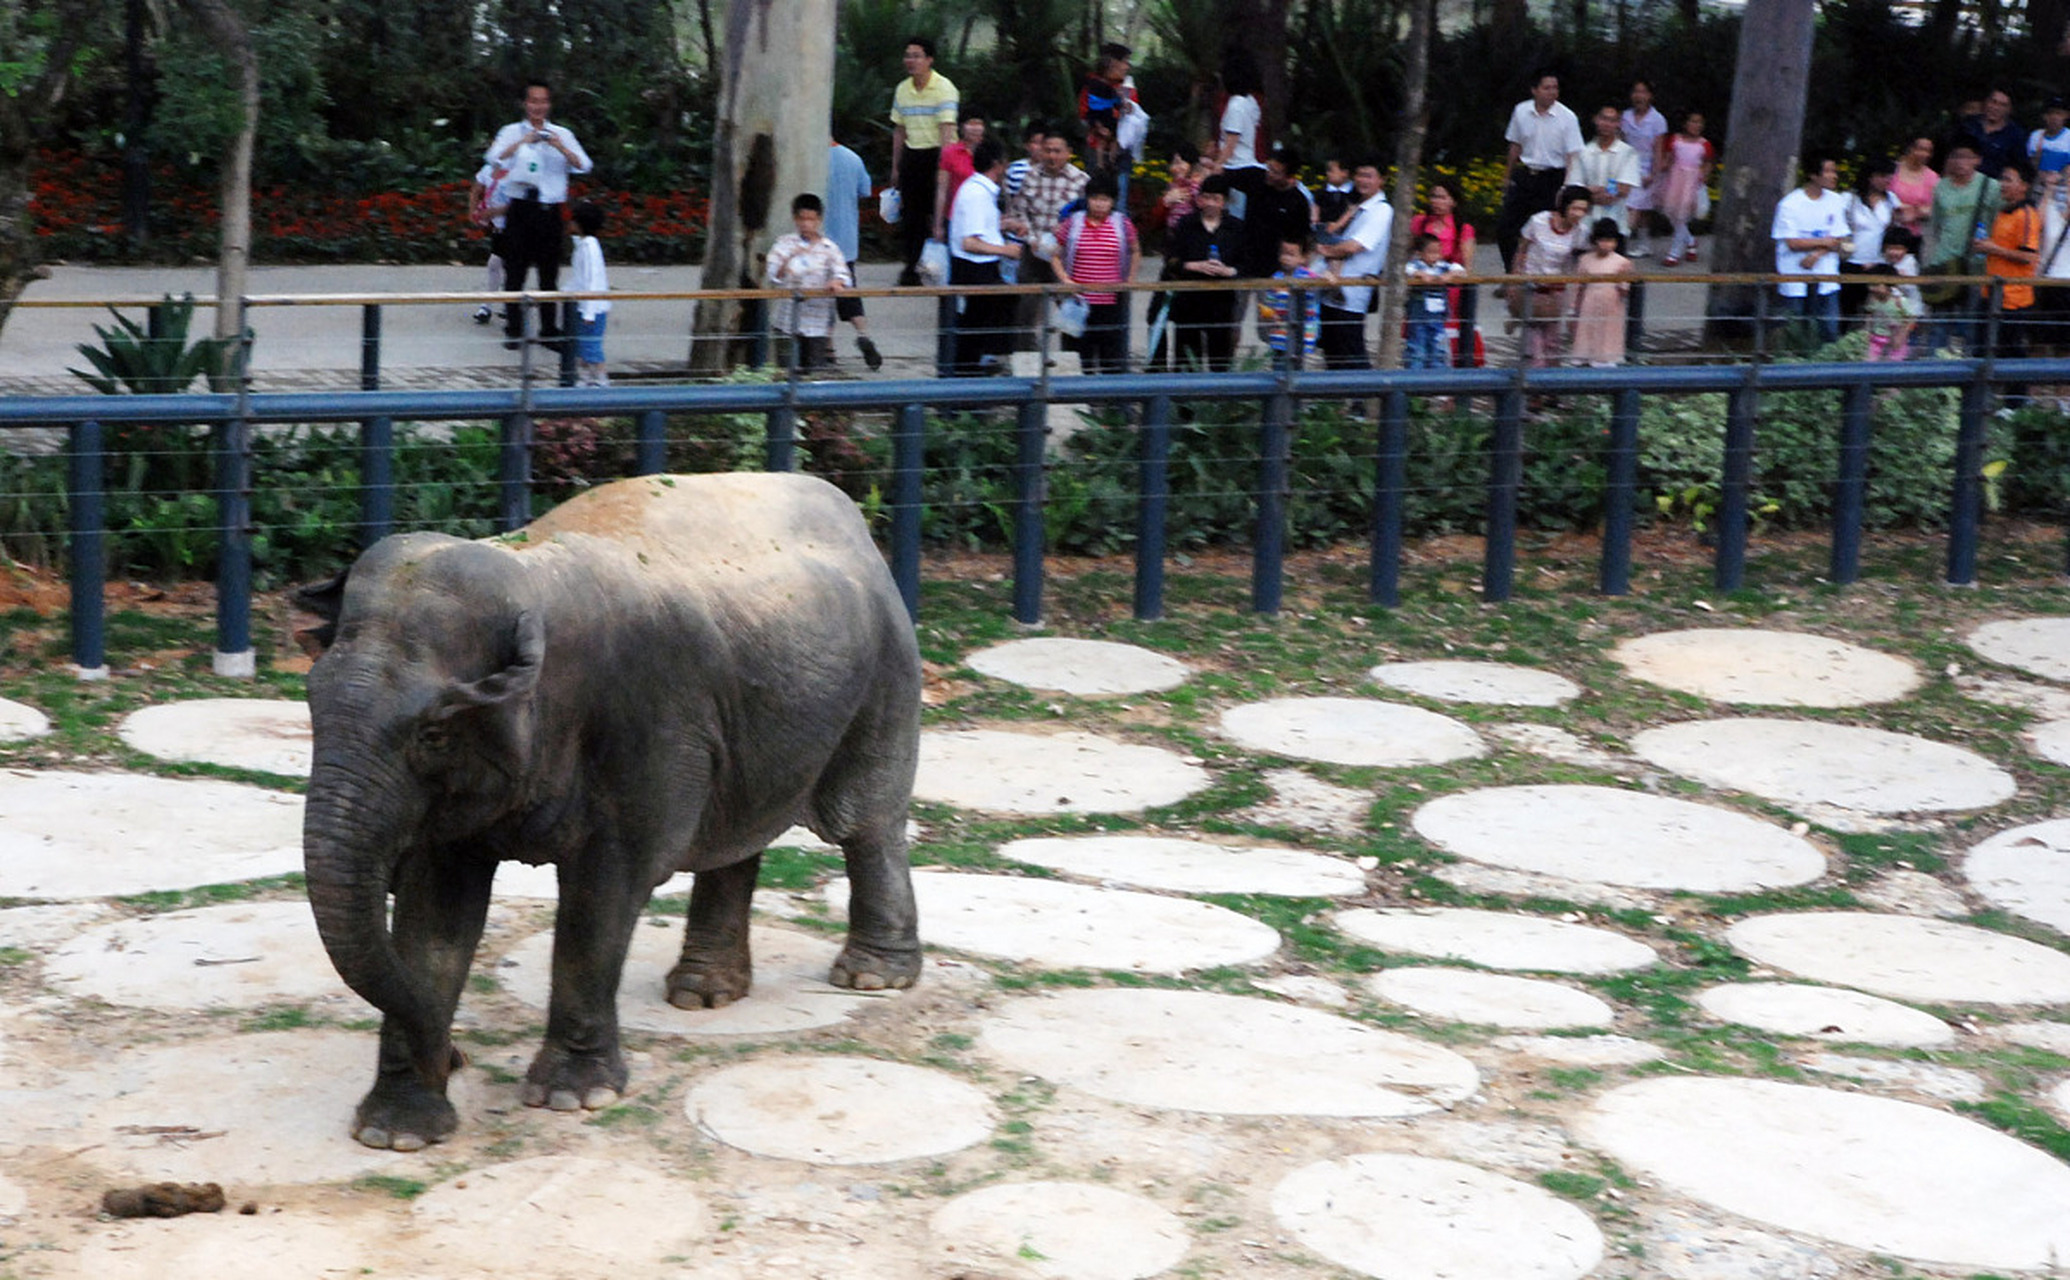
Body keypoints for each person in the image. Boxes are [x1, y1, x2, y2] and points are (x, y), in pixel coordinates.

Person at [485, 80, 593, 348]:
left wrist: (560, 147)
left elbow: (584, 165)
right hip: (520, 209)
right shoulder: (510, 132)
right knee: (515, 272)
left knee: (549, 272)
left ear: (549, 104)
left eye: (543, 101)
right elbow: (493, 159)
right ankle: (514, 329)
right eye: (533, 101)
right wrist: (522, 142)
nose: (538, 106)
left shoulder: (562, 133)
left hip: (549, 211)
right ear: (525, 104)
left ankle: (548, 330)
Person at [1004, 128, 1088, 348]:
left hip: (1065, 254)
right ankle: (1025, 355)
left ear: (1068, 152)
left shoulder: (1080, 180)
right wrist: (1031, 237)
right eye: (1048, 150)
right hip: (1034, 251)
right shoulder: (1030, 177)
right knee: (1026, 307)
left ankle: (1073, 354)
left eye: (1057, 151)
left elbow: (1086, 218)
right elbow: (1019, 211)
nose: (1052, 156)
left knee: (1070, 305)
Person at [1497, 70, 1584, 270]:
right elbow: (1515, 145)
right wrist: (1507, 177)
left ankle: (1538, 276)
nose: (1552, 92)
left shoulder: (1567, 117)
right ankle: (1511, 274)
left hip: (1552, 178)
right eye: (1546, 88)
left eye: (1555, 88)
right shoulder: (1521, 111)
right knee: (1506, 228)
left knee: (1543, 230)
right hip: (1526, 174)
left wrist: (1566, 187)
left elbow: (1572, 155)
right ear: (1534, 90)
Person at [946, 139, 1021, 375]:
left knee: (977, 326)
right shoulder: (978, 194)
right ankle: (978, 372)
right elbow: (970, 242)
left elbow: (979, 228)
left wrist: (1003, 226)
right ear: (998, 165)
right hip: (975, 269)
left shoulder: (978, 191)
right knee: (978, 328)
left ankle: (978, 369)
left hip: (981, 267)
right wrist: (1005, 250)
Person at [889, 36, 959, 286]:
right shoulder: (902, 89)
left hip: (937, 154)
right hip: (913, 155)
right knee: (911, 217)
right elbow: (899, 130)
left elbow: (947, 131)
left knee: (940, 212)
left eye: (917, 56)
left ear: (930, 59)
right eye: (908, 55)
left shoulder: (944, 87)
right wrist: (896, 166)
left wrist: (943, 167)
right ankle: (911, 267)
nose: (911, 61)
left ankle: (944, 266)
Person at [1054, 172, 1138, 375]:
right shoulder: (1073, 222)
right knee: (1078, 356)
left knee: (1112, 355)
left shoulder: (1122, 223)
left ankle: (1113, 402)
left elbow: (1135, 250)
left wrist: (1129, 280)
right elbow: (1055, 254)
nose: (1100, 204)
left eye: (1105, 199)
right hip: (1079, 301)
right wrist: (1065, 279)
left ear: (1112, 201)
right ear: (1087, 199)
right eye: (1095, 199)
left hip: (1111, 301)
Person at [1314, 158, 1393, 370]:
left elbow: (1355, 246)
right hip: (1331, 290)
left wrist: (1327, 250)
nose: (1362, 181)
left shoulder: (1381, 210)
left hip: (1352, 294)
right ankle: (1337, 400)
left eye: (1369, 176)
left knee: (1352, 350)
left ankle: (1363, 400)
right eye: (1359, 175)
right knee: (1332, 352)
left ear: (1381, 180)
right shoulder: (1358, 207)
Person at [1976, 160, 2042, 404]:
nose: (2002, 184)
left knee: (2013, 351)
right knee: (1987, 348)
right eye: (2002, 179)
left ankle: (2016, 402)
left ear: (2023, 186)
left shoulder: (2026, 215)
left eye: (2008, 179)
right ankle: (1988, 399)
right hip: (1992, 293)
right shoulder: (2003, 212)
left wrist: (1993, 248)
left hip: (2014, 297)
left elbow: (2028, 256)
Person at [1165, 172, 1246, 370]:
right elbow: (1171, 260)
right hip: (1189, 300)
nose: (1210, 203)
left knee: (1220, 358)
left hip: (1221, 301)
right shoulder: (1185, 224)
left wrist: (1229, 271)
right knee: (1186, 358)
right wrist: (1193, 265)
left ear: (1224, 202)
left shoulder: (1236, 228)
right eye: (1206, 197)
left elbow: (1248, 263)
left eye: (1216, 199)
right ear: (1199, 199)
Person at [1925, 142, 2002, 351]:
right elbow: (1935, 226)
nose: (1961, 162)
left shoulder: (1991, 186)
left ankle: (1970, 375)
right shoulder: (1941, 187)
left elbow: (1999, 221)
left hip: (1978, 264)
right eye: (1956, 156)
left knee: (1972, 323)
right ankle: (1933, 373)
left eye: (1967, 157)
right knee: (1940, 323)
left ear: (1977, 160)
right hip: (1945, 262)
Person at [766, 193, 853, 373]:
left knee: (815, 370)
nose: (806, 224)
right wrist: (789, 259)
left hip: (817, 321)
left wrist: (836, 281)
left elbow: (843, 274)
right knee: (785, 370)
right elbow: (773, 275)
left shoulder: (829, 248)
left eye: (811, 219)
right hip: (787, 319)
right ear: (795, 219)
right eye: (802, 219)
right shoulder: (783, 244)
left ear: (819, 220)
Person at [1772, 153, 1850, 346]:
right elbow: (1792, 242)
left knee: (1829, 329)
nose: (1834, 176)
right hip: (1795, 274)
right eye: (1828, 171)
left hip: (1826, 274)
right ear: (1814, 175)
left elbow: (1838, 237)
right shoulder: (1790, 204)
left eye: (1835, 171)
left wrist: (1817, 254)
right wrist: (1825, 242)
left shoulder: (1835, 200)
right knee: (1795, 328)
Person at [1514, 185, 1592, 370]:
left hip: (1556, 289)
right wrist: (1515, 278)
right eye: (1575, 208)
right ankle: (1533, 386)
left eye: (1583, 209)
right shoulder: (1538, 221)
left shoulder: (1581, 231)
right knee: (1534, 344)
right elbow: (1522, 249)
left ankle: (1550, 388)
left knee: (1553, 342)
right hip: (1531, 286)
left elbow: (1580, 257)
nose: (1578, 214)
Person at [826, 136, 883, 370]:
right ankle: (864, 334)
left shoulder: (811, 158)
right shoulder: (853, 158)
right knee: (848, 292)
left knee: (822, 298)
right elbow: (864, 191)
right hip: (846, 241)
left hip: (818, 242)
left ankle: (827, 349)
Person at [1408, 178, 1479, 364]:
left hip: (1448, 289)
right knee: (1418, 336)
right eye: (1433, 197)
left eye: (1442, 197)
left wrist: (1449, 275)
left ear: (1453, 201)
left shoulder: (1463, 228)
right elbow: (1408, 255)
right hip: (1421, 287)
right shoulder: (1420, 222)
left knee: (1443, 338)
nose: (1436, 202)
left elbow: (1466, 266)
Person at [1242, 144, 1319, 278]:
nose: (1269, 174)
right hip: (1247, 260)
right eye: (1269, 168)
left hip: (1276, 268)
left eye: (1276, 172)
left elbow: (1301, 238)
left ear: (1289, 177)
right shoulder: (1256, 181)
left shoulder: (1298, 201)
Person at [1566, 105, 1642, 237]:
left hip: (1616, 220)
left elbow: (1624, 188)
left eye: (1612, 121)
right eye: (1604, 119)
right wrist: (1595, 193)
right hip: (1585, 221)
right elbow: (1575, 188)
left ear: (1618, 124)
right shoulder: (1583, 152)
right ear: (1596, 120)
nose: (1607, 124)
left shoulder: (1628, 152)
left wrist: (1594, 190)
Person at [1571, 217, 1633, 367]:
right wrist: (1573, 308)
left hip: (1611, 301)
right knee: (1587, 327)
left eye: (1611, 241)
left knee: (1609, 329)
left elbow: (1624, 289)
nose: (1606, 244)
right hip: (1590, 299)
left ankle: (1607, 357)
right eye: (1603, 240)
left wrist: (1623, 278)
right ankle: (1585, 356)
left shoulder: (1622, 262)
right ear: (1595, 240)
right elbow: (1577, 285)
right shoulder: (1585, 259)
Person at [1841, 157, 1899, 316]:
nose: (1887, 180)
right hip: (1851, 261)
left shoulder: (1892, 200)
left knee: (1875, 312)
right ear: (1870, 176)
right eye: (1882, 175)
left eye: (1889, 175)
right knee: (1847, 310)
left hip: (1879, 263)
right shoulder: (1849, 199)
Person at [1656, 110, 1714, 266]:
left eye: (1699, 122)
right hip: (1675, 179)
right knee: (1671, 212)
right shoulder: (1675, 140)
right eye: (1692, 121)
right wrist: (1663, 167)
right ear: (1685, 123)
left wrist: (1704, 176)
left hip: (1692, 182)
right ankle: (1690, 240)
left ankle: (1674, 253)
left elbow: (1708, 162)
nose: (1695, 125)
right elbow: (1668, 158)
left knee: (1682, 215)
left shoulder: (1704, 144)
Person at [1621, 79, 1671, 258]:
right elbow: (1621, 143)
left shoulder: (1657, 120)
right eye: (1636, 91)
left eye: (1643, 92)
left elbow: (1658, 150)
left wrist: (1653, 173)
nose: (1639, 96)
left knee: (1633, 206)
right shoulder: (1625, 116)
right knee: (1637, 209)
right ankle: (1643, 245)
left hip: (1647, 169)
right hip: (1626, 166)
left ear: (1650, 96)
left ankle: (1621, 242)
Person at [1257, 233, 1322, 367]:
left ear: (1303, 258)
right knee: (1278, 366)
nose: (1286, 258)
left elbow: (1317, 291)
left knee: (1297, 369)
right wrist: (1268, 315)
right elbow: (1269, 303)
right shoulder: (1275, 278)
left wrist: (1327, 279)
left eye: (1291, 255)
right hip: (1279, 335)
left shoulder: (1309, 277)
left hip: (1301, 336)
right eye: (1283, 253)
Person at [1403, 232, 1464, 370]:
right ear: (1419, 253)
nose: (1435, 256)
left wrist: (1449, 275)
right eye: (1431, 252)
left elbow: (1460, 269)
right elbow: (1407, 269)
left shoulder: (1443, 267)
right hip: (1419, 314)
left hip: (1437, 314)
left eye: (1438, 252)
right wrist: (1421, 274)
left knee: (1438, 345)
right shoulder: (1415, 265)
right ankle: (1414, 375)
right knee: (1417, 345)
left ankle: (1438, 375)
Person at [1218, 54, 1269, 219]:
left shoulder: (1235, 106)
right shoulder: (1251, 101)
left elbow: (1231, 143)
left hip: (1237, 169)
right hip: (1251, 166)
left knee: (1236, 217)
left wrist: (1217, 165)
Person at [567, 201, 611, 386]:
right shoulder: (582, 245)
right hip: (582, 304)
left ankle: (601, 380)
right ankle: (585, 378)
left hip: (593, 307)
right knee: (582, 345)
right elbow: (579, 278)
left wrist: (590, 312)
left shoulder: (590, 247)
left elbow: (593, 279)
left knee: (592, 346)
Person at [465, 159, 512, 324]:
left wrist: (493, 212)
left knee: (501, 264)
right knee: (498, 264)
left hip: (515, 226)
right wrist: (473, 211)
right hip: (499, 227)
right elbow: (476, 190)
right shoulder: (488, 169)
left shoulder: (517, 168)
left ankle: (492, 305)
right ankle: (495, 304)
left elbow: (520, 203)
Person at [932, 112, 986, 242]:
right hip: (956, 216)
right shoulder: (950, 153)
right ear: (961, 127)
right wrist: (938, 225)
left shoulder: (990, 151)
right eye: (971, 123)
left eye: (979, 124)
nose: (976, 128)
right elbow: (942, 190)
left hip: (983, 216)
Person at [1861, 263, 1920, 362]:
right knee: (1869, 361)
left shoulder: (1900, 301)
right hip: (1876, 338)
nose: (1871, 288)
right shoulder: (1872, 300)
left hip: (1896, 339)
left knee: (1894, 364)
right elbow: (1869, 315)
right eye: (1869, 284)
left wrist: (1902, 335)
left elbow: (1911, 319)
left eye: (1876, 285)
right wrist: (1867, 331)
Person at [1961, 89, 2024, 181]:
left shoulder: (2015, 135)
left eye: (2002, 105)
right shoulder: (1968, 124)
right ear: (1985, 102)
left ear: (2009, 109)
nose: (1995, 107)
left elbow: (2017, 167)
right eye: (1993, 102)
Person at [1891, 135, 1940, 235]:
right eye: (1921, 149)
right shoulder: (1893, 170)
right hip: (1887, 228)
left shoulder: (1933, 178)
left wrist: (1917, 212)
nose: (1924, 154)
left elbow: (1937, 208)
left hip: (1914, 234)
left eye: (1928, 151)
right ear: (1910, 149)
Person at [2030, 97, 2070, 213]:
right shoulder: (2036, 137)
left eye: (2059, 113)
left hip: (2061, 196)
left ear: (2066, 115)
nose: (2054, 117)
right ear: (2045, 116)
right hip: (2037, 191)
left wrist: (2057, 177)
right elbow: (2030, 166)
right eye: (2051, 113)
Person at [1314, 157, 1356, 244]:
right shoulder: (1323, 191)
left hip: (1344, 230)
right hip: (1324, 227)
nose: (1328, 174)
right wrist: (1315, 219)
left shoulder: (1352, 192)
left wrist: (1338, 224)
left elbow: (1351, 210)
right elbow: (1316, 205)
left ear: (1344, 173)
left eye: (1331, 171)